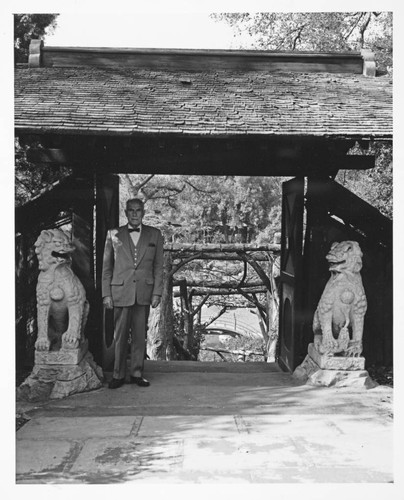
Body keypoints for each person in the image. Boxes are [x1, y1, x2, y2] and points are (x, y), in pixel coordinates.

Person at [102, 198, 164, 389]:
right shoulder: (113, 234)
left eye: (138, 210)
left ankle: (137, 373)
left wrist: (157, 293)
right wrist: (106, 294)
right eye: (131, 210)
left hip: (144, 292)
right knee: (119, 335)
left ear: (143, 212)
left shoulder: (154, 234)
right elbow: (107, 268)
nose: (135, 214)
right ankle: (118, 375)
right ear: (126, 212)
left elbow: (158, 267)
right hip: (120, 290)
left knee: (139, 335)